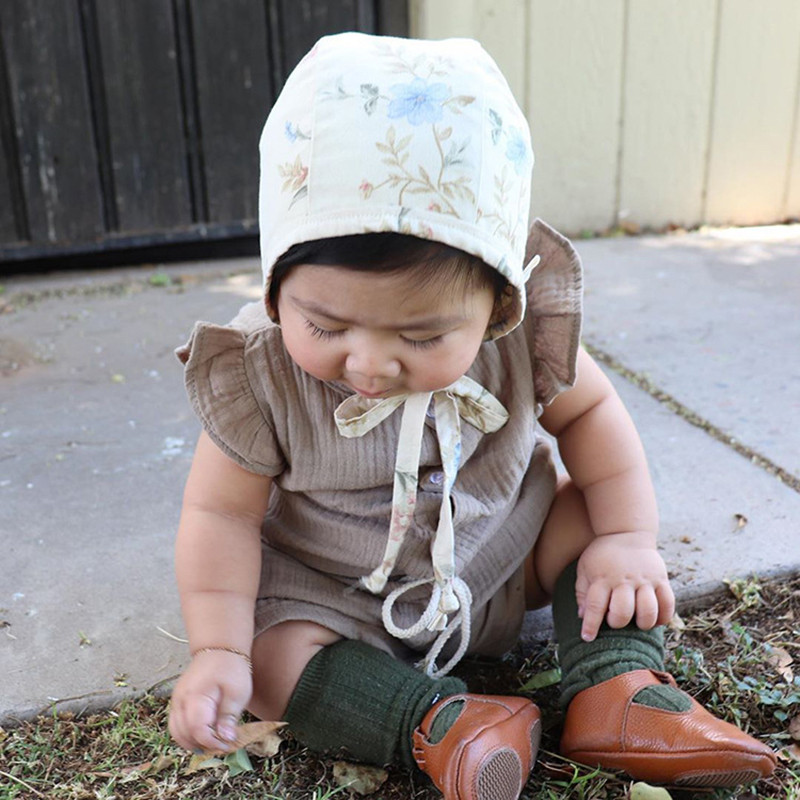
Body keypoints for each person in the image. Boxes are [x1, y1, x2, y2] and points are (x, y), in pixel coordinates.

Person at [167, 32, 776, 800]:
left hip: (503, 564)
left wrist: (626, 538)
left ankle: (616, 691)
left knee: (589, 513)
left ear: (496, 302)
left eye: (422, 335)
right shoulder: (261, 376)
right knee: (270, 659)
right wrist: (217, 648)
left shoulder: (521, 341)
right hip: (333, 594)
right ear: (276, 286)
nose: (370, 363)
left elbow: (592, 418)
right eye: (324, 326)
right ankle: (441, 724)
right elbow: (219, 515)